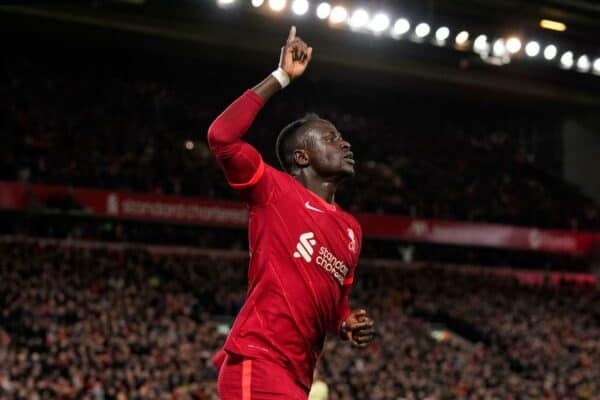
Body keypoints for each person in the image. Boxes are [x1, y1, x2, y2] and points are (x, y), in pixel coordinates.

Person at [207, 26, 375, 399]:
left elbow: (336, 304)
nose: (344, 142)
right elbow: (222, 137)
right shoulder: (274, 191)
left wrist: (347, 322)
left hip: (296, 377)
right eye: (330, 138)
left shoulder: (351, 230)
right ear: (301, 157)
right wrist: (281, 77)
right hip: (257, 361)